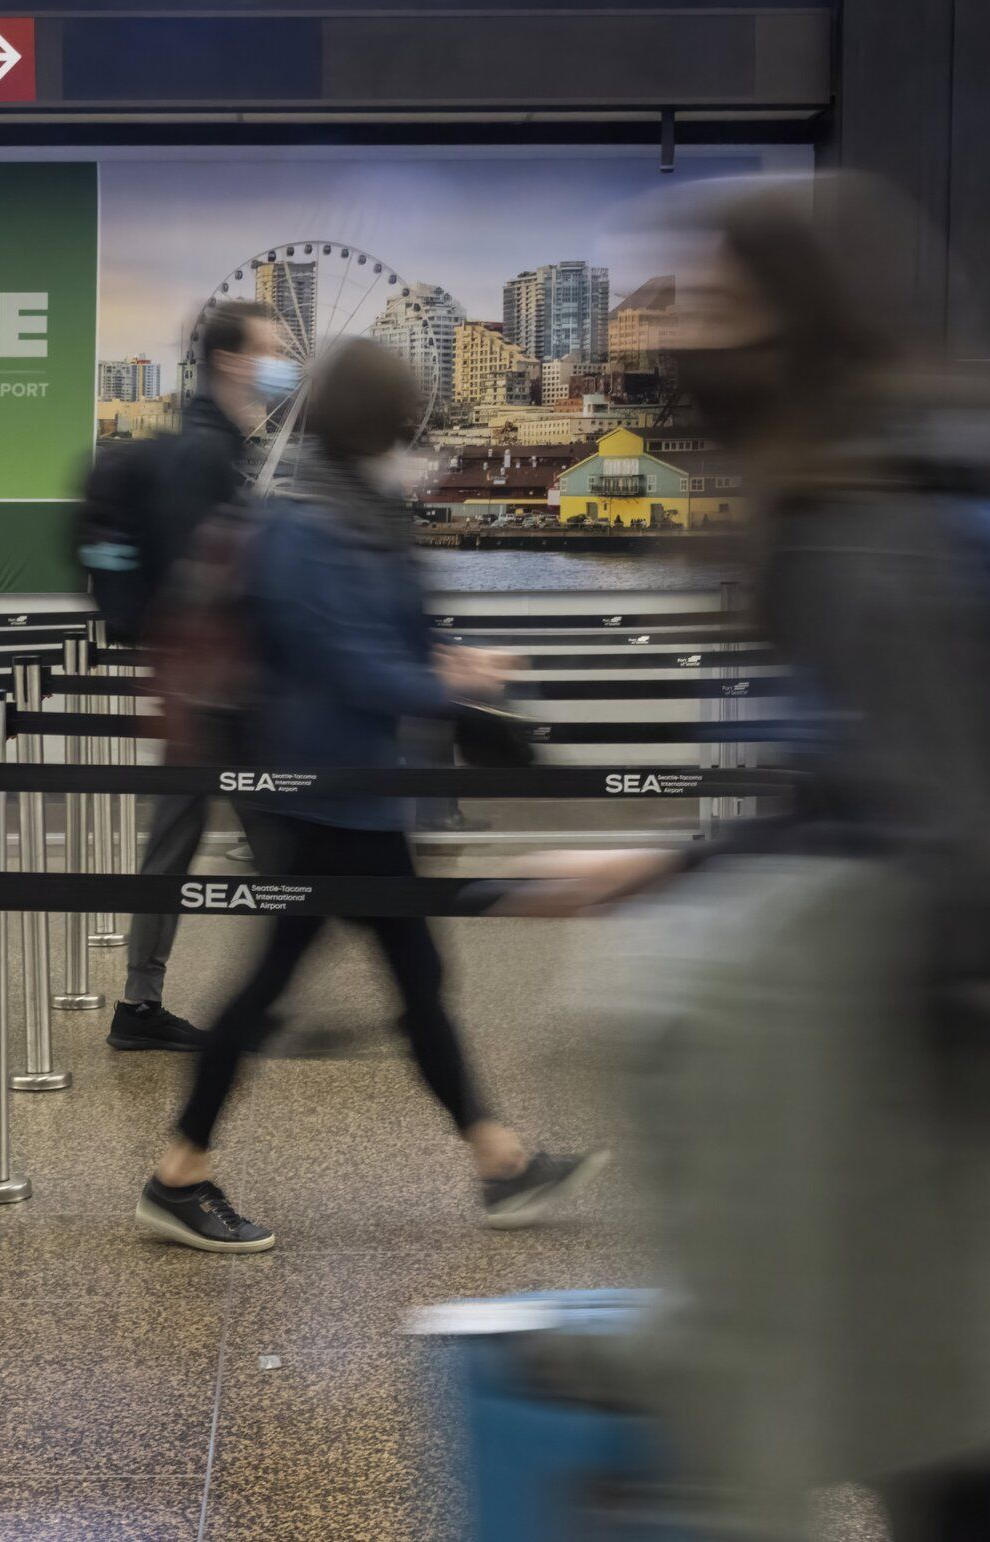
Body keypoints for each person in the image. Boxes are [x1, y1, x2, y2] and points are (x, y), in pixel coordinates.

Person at [527, 181, 990, 1542]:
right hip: (921, 1067)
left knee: (955, 1441)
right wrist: (687, 866)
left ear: (789, 317)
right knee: (953, 1434)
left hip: (921, 1082)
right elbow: (860, 774)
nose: (672, 327)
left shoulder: (861, 525)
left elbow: (971, 830)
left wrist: (812, 1004)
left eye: (706, 296)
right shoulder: (863, 494)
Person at [133, 339, 603, 1255]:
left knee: (401, 979)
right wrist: (447, 688)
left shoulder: (358, 510)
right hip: (318, 790)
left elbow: (390, 632)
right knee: (298, 983)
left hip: (355, 790)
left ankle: (499, 1162)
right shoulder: (308, 522)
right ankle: (178, 1172)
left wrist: (455, 671)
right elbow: (339, 659)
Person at [95, 299, 298, 1053]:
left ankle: (145, 1003)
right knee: (284, 843)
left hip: (197, 688)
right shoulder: (208, 455)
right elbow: (207, 577)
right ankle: (257, 1003)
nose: (282, 366)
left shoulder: (209, 444)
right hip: (218, 693)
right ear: (232, 361)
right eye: (272, 352)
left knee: (184, 842)